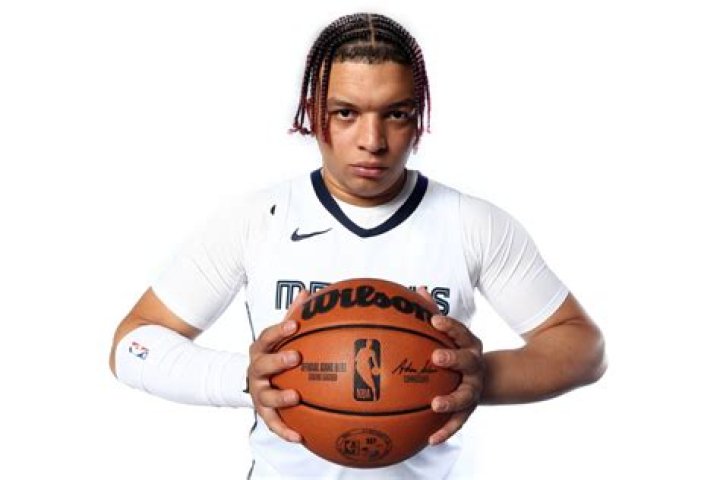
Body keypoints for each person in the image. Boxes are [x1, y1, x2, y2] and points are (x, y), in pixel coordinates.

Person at [109, 12, 606, 479]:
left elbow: (585, 348)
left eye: (396, 114)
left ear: (418, 117)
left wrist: (480, 377)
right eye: (346, 113)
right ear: (312, 114)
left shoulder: (471, 223)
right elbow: (131, 346)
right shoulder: (259, 219)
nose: (373, 140)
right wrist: (246, 378)